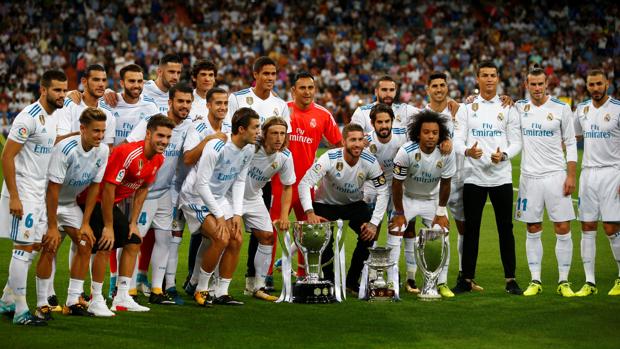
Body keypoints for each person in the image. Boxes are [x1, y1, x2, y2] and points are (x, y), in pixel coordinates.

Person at [0, 70, 67, 326]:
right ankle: (20, 310)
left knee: (34, 248)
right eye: (57, 90)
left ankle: (7, 299)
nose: (61, 95)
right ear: (43, 90)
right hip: (24, 192)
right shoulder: (27, 118)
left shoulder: (55, 115)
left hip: (39, 192)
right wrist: (14, 197)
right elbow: (6, 157)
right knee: (23, 248)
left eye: (64, 90)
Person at [265, 71, 342, 291]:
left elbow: (339, 145)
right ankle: (266, 275)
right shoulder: (283, 110)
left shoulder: (324, 115)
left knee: (306, 233)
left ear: (315, 90)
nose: (307, 92)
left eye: (311, 88)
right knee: (271, 230)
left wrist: (328, 170)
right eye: (302, 88)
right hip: (280, 182)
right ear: (293, 90)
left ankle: (302, 276)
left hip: (306, 185)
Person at [453, 60, 523, 295]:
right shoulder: (466, 108)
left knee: (506, 229)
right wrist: (467, 152)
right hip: (474, 177)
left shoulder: (508, 107)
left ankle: (511, 279)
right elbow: (457, 141)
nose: (490, 79)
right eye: (485, 75)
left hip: (501, 177)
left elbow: (516, 142)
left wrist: (503, 156)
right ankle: (467, 279)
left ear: (498, 78)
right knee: (471, 229)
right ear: (478, 79)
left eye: (493, 75)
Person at [179, 107, 259, 306]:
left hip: (219, 197)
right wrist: (220, 216)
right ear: (241, 129)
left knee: (236, 238)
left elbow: (240, 181)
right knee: (220, 237)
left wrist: (237, 214)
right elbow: (201, 183)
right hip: (195, 197)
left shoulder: (249, 149)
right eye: (255, 127)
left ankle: (221, 291)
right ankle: (201, 289)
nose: (259, 132)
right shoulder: (216, 147)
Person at [36, 108, 110, 317]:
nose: (100, 136)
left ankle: (73, 300)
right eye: (96, 131)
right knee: (48, 248)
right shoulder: (66, 148)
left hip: (69, 204)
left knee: (86, 242)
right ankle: (42, 303)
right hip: (47, 202)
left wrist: (85, 223)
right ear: (82, 129)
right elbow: (52, 189)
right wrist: (52, 226)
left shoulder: (103, 151)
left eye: (103, 131)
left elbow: (95, 187)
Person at [95, 115, 173, 312]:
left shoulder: (158, 158)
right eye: (160, 135)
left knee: (133, 240)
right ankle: (96, 298)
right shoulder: (127, 153)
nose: (164, 141)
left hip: (114, 203)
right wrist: (109, 226)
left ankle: (122, 297)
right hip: (94, 199)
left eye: (168, 137)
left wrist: (133, 223)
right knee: (106, 243)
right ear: (148, 134)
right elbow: (108, 189)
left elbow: (142, 190)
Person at [124, 83, 193, 305]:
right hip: (141, 191)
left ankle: (156, 289)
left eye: (188, 102)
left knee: (165, 238)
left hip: (164, 192)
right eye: (180, 101)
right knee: (133, 239)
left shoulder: (189, 126)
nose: (184, 106)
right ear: (170, 102)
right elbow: (129, 145)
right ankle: (128, 289)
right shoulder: (152, 121)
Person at [299, 123, 388, 292]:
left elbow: (383, 191)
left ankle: (352, 282)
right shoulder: (329, 158)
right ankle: (330, 281)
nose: (357, 144)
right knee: (323, 239)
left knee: (369, 235)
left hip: (354, 205)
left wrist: (374, 223)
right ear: (343, 141)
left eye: (360, 140)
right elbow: (305, 183)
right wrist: (310, 212)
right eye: (352, 139)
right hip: (325, 204)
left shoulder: (370, 161)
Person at [227, 56, 291, 293]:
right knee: (222, 236)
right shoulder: (238, 98)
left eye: (274, 74)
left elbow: (284, 141)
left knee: (261, 234)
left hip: (257, 183)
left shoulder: (280, 104)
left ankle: (254, 282)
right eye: (266, 74)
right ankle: (202, 282)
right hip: (231, 179)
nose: (270, 79)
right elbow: (230, 133)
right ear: (255, 75)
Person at [514, 67, 578, 297]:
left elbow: (570, 143)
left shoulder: (561, 108)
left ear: (547, 83)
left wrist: (571, 175)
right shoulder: (518, 108)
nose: (537, 88)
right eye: (533, 84)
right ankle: (535, 280)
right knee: (533, 228)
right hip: (529, 178)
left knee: (562, 227)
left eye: (541, 84)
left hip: (555, 176)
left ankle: (564, 281)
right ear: (526, 84)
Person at [424, 71, 482, 291]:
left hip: (458, 176)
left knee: (464, 227)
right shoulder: (424, 115)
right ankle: (435, 278)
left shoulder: (460, 110)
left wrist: (508, 100)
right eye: (435, 86)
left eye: (442, 85)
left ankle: (464, 276)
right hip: (433, 179)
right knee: (438, 229)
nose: (439, 89)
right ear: (428, 89)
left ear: (447, 87)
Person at [573, 69, 620, 297]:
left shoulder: (618, 109)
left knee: (611, 228)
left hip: (613, 174)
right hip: (588, 174)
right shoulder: (581, 110)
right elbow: (572, 137)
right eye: (591, 84)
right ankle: (589, 283)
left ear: (607, 84)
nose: (595, 88)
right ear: (587, 85)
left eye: (599, 84)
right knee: (587, 226)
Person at [181, 87, 231, 295]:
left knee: (218, 238)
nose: (222, 107)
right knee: (219, 237)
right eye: (218, 103)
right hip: (195, 192)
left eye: (225, 104)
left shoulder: (229, 128)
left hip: (217, 192)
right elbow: (188, 158)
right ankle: (198, 286)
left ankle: (197, 282)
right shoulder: (198, 127)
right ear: (208, 105)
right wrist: (209, 140)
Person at [242, 117, 295, 301]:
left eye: (282, 133)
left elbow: (288, 186)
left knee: (267, 237)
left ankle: (259, 286)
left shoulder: (285, 156)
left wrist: (283, 216)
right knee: (226, 238)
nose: (279, 138)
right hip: (231, 194)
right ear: (264, 134)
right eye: (274, 133)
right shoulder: (252, 146)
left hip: (254, 197)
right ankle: (211, 285)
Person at [57, 64, 116, 148]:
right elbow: (59, 142)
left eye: (104, 80)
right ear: (84, 81)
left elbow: (108, 149)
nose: (101, 84)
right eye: (96, 80)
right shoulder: (68, 105)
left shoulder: (109, 113)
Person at [350, 75, 419, 135]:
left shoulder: (405, 110)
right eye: (384, 90)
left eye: (391, 90)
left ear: (395, 92)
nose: (388, 93)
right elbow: (353, 136)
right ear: (376, 92)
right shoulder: (362, 112)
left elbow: (427, 112)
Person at [111, 64, 160, 146]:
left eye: (140, 81)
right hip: (114, 157)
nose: (137, 85)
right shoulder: (111, 101)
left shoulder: (151, 107)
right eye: (132, 81)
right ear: (122, 83)